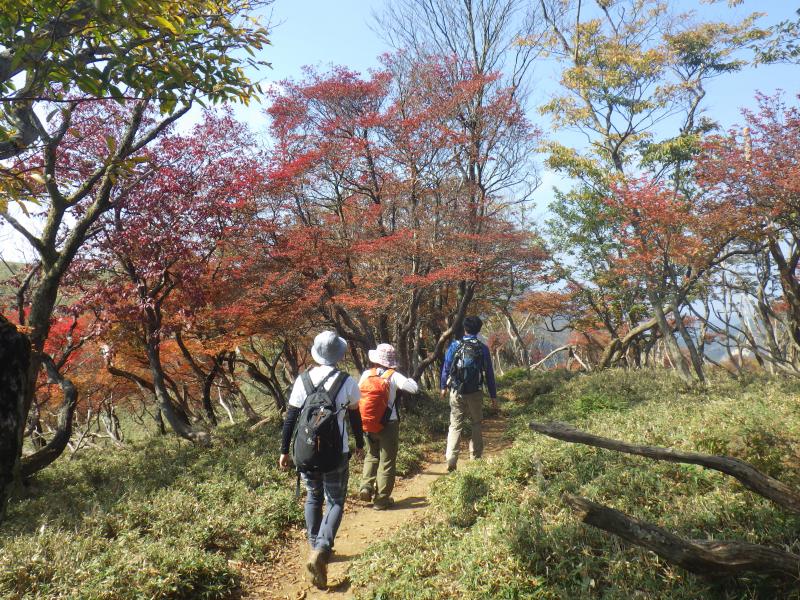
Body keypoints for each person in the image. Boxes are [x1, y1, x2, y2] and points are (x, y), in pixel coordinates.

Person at [278, 331, 364, 589]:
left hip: (305, 452)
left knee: (313, 497)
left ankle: (315, 545)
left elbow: (290, 418)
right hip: (336, 453)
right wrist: (360, 444)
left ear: (316, 353)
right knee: (335, 500)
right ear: (339, 354)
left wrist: (284, 450)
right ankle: (323, 548)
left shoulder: (302, 380)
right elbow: (355, 417)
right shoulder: (347, 382)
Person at [357, 343, 419, 510]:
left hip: (368, 422)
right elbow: (414, 389)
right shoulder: (394, 376)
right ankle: (381, 500)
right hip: (388, 424)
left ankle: (366, 487)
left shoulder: (366, 374)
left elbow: (357, 395)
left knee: (371, 455)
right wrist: (408, 378)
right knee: (387, 461)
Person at [440, 316, 497, 472]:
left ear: (465, 329)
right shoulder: (482, 348)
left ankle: (451, 459)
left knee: (455, 425)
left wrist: (443, 386)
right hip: (475, 392)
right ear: (479, 330)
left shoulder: (455, 345)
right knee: (476, 423)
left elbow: (446, 367)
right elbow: (489, 374)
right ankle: (476, 459)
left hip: (456, 391)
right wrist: (493, 396)